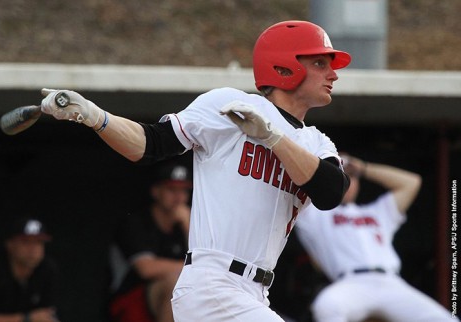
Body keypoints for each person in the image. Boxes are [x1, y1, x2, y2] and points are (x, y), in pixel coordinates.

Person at [39, 20, 351, 321]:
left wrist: (272, 137)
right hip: (213, 284)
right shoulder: (230, 104)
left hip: (254, 292)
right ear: (284, 67)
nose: (333, 75)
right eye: (320, 64)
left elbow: (330, 192)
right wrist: (95, 116)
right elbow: (149, 145)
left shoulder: (316, 142)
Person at [295, 153, 456, 322]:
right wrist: (323, 167)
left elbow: (411, 182)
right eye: (340, 174)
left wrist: (363, 168)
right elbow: (298, 178)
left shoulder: (377, 212)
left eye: (352, 176)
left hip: (391, 282)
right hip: (351, 284)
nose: (348, 181)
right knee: (327, 306)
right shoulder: (314, 214)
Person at [109, 162, 192, 322]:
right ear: (156, 191)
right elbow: (146, 269)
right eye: (171, 189)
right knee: (176, 283)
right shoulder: (136, 223)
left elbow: (207, 263)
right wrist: (194, 268)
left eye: (183, 190)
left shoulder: (186, 223)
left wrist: (188, 226)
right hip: (130, 301)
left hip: (168, 301)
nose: (178, 197)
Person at [0, 217, 61, 322]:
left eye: (38, 243)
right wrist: (28, 318)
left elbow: (47, 316)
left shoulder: (48, 269)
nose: (33, 249)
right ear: (10, 244)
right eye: (26, 242)